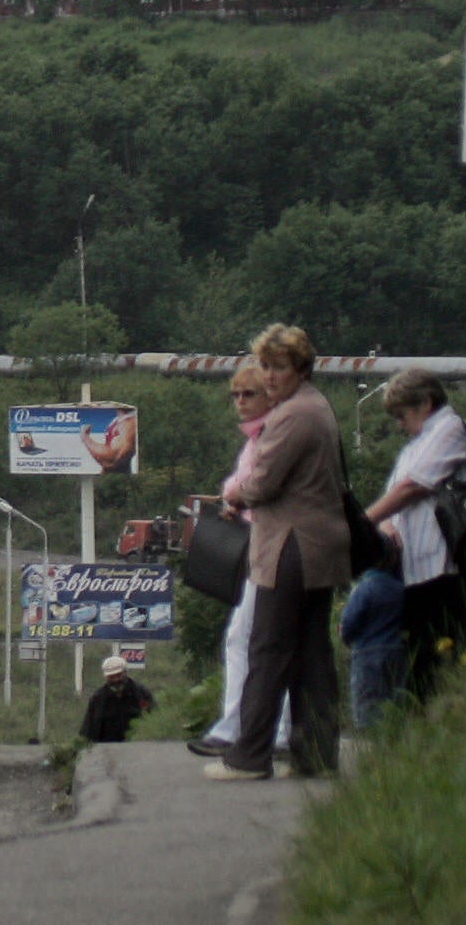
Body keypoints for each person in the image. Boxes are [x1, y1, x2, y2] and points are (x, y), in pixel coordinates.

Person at [210, 323, 349, 782]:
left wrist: (235, 494)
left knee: (267, 648)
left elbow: (263, 480)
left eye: (279, 367)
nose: (269, 377)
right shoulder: (316, 407)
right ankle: (315, 753)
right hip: (318, 544)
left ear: (300, 368)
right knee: (311, 652)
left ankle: (249, 756)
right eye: (266, 366)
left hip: (291, 544)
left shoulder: (292, 416)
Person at [189, 363, 290, 763]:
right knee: (255, 637)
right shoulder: (256, 438)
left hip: (275, 547)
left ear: (270, 395)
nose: (240, 403)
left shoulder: (272, 435)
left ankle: (244, 727)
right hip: (260, 544)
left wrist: (235, 496)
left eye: (248, 394)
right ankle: (258, 727)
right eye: (235, 395)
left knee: (253, 637)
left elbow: (255, 485)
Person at [365, 367, 466, 703]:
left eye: (403, 415)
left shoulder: (450, 429)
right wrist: (384, 523)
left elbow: (412, 487)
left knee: (443, 654)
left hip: (448, 563)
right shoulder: (417, 444)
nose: (400, 424)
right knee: (419, 656)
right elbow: (395, 493)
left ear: (425, 403)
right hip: (417, 567)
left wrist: (365, 519)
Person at [340, 563, 406, 732]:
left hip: (366, 653)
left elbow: (349, 621)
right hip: (395, 649)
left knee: (367, 702)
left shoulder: (365, 588)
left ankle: (369, 736)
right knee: (393, 696)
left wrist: (346, 637)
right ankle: (393, 731)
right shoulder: (400, 589)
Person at [79, 655, 153, 743]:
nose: (116, 680)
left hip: (136, 747)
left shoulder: (141, 694)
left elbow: (152, 717)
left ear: (125, 672)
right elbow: (88, 729)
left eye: (118, 675)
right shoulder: (98, 698)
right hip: (107, 750)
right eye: (111, 677)